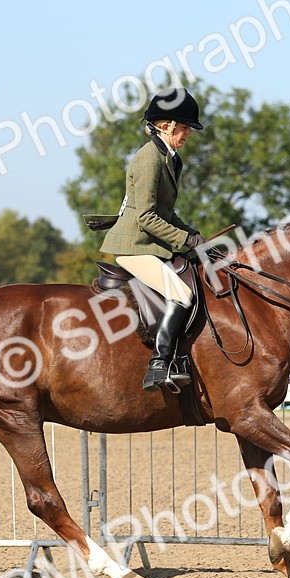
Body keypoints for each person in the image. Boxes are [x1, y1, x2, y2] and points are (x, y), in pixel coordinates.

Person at [100, 87, 208, 392]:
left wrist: (194, 235)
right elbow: (146, 217)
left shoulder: (170, 159)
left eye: (188, 128)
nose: (187, 134)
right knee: (181, 294)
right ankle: (159, 366)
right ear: (167, 125)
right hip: (133, 246)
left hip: (149, 243)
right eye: (184, 127)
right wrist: (185, 240)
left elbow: (166, 213)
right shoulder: (148, 159)